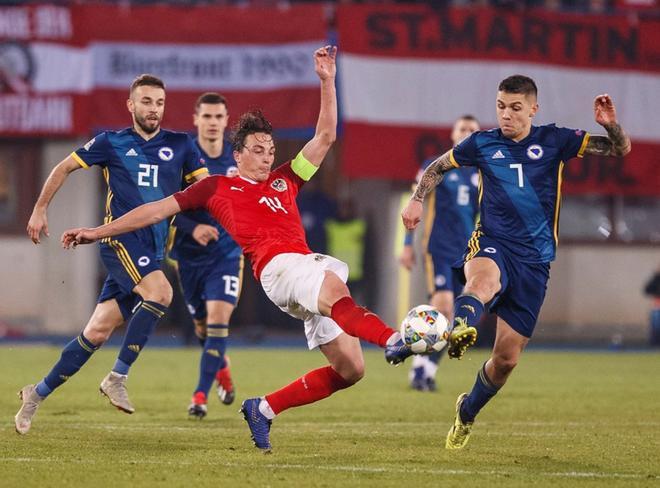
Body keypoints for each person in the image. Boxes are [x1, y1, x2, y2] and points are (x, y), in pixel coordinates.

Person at [60, 46, 413, 453]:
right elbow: (154, 210)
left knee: (350, 370)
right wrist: (97, 230)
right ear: (239, 154)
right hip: (280, 269)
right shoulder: (216, 188)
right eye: (258, 151)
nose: (267, 158)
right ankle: (392, 338)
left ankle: (262, 408)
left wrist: (327, 80)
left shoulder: (286, 180)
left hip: (299, 274)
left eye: (270, 150)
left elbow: (326, 136)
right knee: (334, 287)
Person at [402, 76, 631, 449]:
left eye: (515, 108)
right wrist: (416, 199)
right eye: (500, 107)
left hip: (535, 261)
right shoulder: (482, 143)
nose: (506, 116)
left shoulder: (556, 141)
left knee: (505, 360)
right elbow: (437, 168)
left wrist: (611, 127)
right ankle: (460, 326)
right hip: (493, 241)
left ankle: (467, 411)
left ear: (533, 109)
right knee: (480, 284)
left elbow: (619, 149)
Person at [14, 74, 208, 435]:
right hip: (120, 242)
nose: (154, 109)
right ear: (131, 105)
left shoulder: (181, 145)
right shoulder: (111, 142)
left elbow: (204, 189)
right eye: (146, 102)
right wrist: (40, 209)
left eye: (160, 103)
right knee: (162, 292)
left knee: (98, 331)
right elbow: (64, 166)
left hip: (152, 250)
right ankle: (117, 376)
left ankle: (35, 394)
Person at [168, 92, 241, 418]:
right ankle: (222, 370)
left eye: (218, 117)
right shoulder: (182, 156)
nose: (212, 123)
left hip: (226, 253)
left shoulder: (237, 161)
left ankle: (200, 396)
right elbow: (163, 205)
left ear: (226, 122)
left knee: (217, 320)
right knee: (201, 327)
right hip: (188, 256)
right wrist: (191, 228)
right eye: (207, 117)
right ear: (196, 119)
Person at [399, 115, 480, 392]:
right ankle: (420, 369)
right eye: (463, 128)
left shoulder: (483, 173)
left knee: (454, 317)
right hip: (439, 249)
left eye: (473, 129)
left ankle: (423, 368)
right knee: (444, 307)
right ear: (454, 134)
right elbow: (414, 204)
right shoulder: (438, 166)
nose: (467, 133)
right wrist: (407, 245)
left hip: (468, 254)